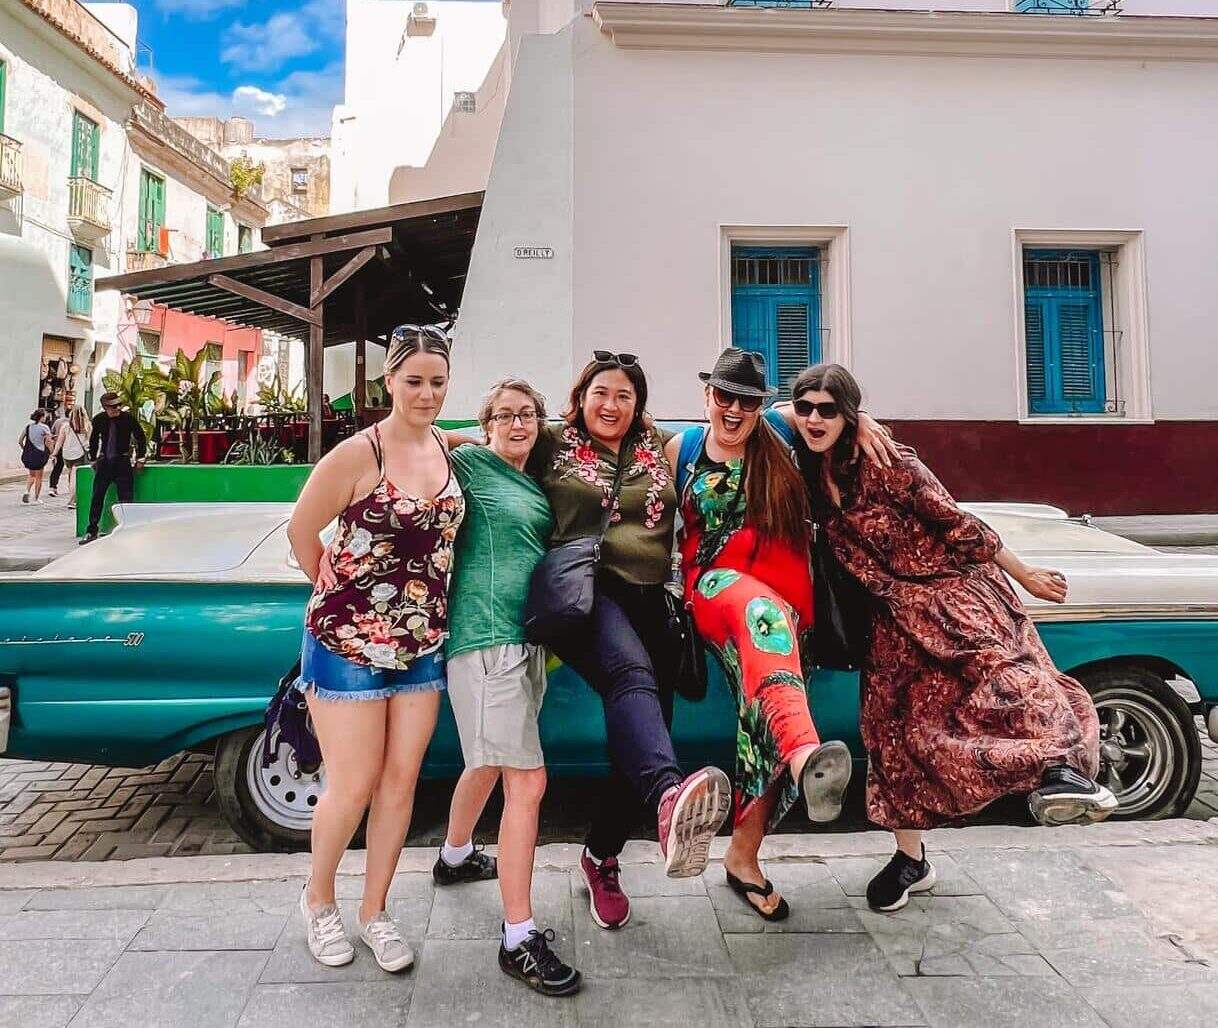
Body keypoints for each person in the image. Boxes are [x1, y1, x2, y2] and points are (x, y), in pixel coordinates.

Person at [787, 363, 1115, 913]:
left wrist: (1024, 572)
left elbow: (960, 525)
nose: (815, 419)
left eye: (829, 409)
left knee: (1004, 679)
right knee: (891, 733)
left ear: (846, 414)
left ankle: (1064, 768)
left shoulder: (893, 466)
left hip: (952, 595)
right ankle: (909, 858)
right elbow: (766, 414)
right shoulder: (805, 465)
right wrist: (855, 416)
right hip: (892, 618)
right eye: (806, 408)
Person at [527, 352, 732, 932]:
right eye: (600, 393)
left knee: (641, 730)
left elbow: (748, 423)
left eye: (623, 395)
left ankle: (600, 856)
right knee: (629, 679)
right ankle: (670, 801)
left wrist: (853, 415)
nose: (610, 405)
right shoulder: (551, 441)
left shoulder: (662, 448)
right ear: (581, 397)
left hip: (651, 600)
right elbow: (484, 435)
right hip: (589, 595)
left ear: (638, 404)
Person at [286, 324, 463, 974]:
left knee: (399, 783)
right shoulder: (358, 454)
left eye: (437, 382)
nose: (426, 393)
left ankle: (375, 910)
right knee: (354, 783)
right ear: (389, 381)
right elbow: (303, 530)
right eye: (413, 380)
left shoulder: (446, 445)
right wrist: (336, 591)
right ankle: (319, 897)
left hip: (422, 643)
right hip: (347, 645)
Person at [664, 348, 854, 921]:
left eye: (747, 401)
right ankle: (805, 755)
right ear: (707, 396)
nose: (734, 409)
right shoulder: (684, 448)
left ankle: (743, 856)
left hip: (788, 596)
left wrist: (864, 422)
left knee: (762, 708)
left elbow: (832, 413)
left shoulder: (779, 433)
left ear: (761, 405)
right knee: (757, 620)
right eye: (724, 396)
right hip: (721, 588)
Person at [431, 378, 580, 996]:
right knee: (528, 781)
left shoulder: (536, 477)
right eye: (505, 415)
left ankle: (454, 857)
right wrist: (466, 435)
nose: (519, 423)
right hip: (488, 638)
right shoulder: (470, 464)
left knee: (489, 764)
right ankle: (518, 936)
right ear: (486, 422)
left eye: (528, 414)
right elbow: (413, 440)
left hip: (523, 644)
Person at [81, 392, 147, 544]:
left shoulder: (128, 419)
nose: (117, 408)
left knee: (125, 497)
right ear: (105, 408)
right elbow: (93, 440)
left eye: (119, 405)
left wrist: (140, 457)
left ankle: (127, 529)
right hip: (104, 462)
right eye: (113, 406)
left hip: (122, 461)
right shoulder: (99, 419)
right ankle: (91, 530)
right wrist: (92, 458)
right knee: (97, 496)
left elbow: (140, 437)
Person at [49, 406, 90, 508]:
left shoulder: (65, 426)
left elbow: (59, 442)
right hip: (79, 454)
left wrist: (54, 453)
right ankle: (72, 500)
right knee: (74, 478)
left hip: (66, 455)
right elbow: (89, 442)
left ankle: (73, 495)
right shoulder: (87, 426)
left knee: (71, 475)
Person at [18, 410, 53, 505]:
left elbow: (20, 440)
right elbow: (48, 442)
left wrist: (24, 449)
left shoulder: (28, 427)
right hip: (40, 454)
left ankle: (27, 491)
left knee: (31, 474)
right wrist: (52, 452)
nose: (45, 418)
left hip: (29, 454)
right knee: (39, 477)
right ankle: (36, 498)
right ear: (41, 417)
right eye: (44, 416)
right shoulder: (45, 428)